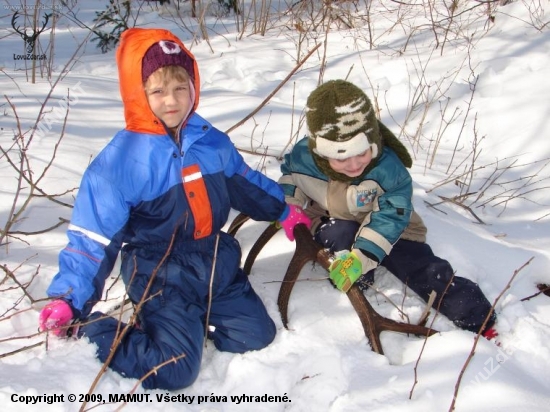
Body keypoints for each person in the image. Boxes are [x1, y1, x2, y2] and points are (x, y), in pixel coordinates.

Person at [38, 28, 310, 390]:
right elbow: (91, 239)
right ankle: (96, 330)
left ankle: (194, 322)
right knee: (175, 370)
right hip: (160, 273)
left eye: (181, 88)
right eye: (158, 91)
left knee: (256, 337)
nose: (172, 101)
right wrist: (70, 300)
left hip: (215, 261)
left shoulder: (211, 142)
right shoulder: (120, 164)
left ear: (193, 88)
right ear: (138, 94)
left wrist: (283, 209)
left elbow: (246, 183)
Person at [278, 79, 497, 338]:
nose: (353, 164)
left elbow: (391, 216)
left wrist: (363, 256)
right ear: (320, 151)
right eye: (341, 156)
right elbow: (290, 177)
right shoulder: (304, 156)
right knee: (337, 235)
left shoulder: (388, 170)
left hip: (390, 229)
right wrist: (288, 207)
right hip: (334, 218)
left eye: (361, 152)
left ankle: (475, 314)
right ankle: (355, 278)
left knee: (420, 268)